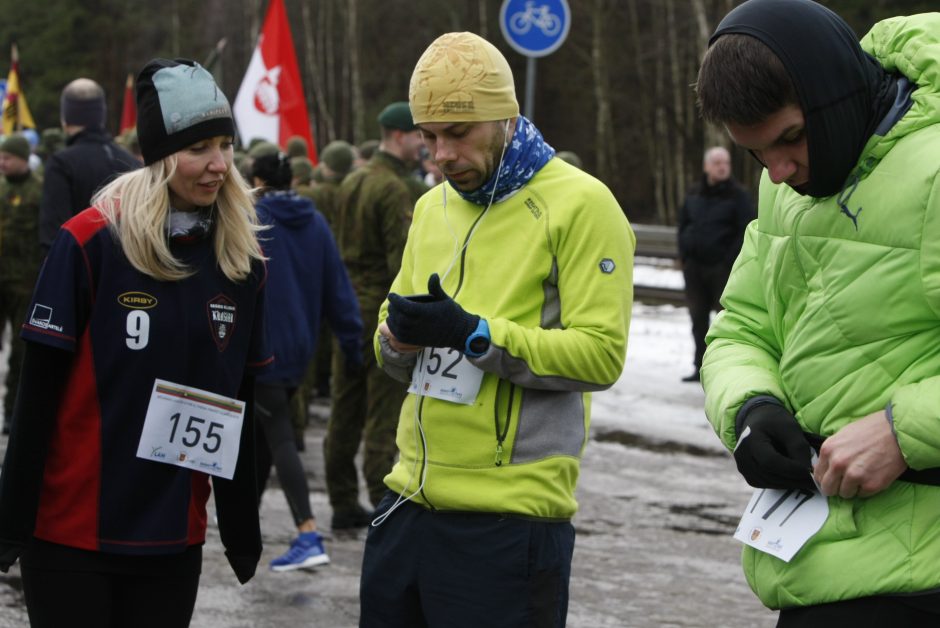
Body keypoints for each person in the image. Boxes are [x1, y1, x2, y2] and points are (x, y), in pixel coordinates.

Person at [361, 32, 634, 627]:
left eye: (459, 133)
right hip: (406, 503)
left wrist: (474, 335)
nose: (442, 155)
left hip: (509, 523)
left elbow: (601, 355)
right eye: (430, 137)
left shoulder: (582, 204)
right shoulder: (432, 206)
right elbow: (389, 333)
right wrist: (398, 340)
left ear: (508, 119)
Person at [0, 58, 269, 627]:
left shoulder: (240, 262)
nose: (220, 165)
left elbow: (244, 404)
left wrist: (242, 528)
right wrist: (11, 521)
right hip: (73, 537)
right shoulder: (88, 243)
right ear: (161, 156)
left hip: (172, 540)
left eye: (225, 145)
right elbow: (35, 397)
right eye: (199, 149)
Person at [696, 1, 940, 625]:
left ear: (834, 95)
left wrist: (904, 432)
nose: (778, 171)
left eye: (790, 139)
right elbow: (740, 326)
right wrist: (751, 409)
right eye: (756, 154)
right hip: (814, 572)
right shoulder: (784, 187)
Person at [249, 151, 362, 571]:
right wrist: (352, 345)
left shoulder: (252, 221)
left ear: (257, 180)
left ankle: (307, 533)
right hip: (300, 348)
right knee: (264, 434)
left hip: (262, 349)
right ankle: (247, 518)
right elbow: (338, 288)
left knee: (278, 434)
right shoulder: (314, 222)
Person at [323, 102, 427, 530]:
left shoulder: (352, 179)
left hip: (346, 306)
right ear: (400, 136)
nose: (424, 144)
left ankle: (342, 500)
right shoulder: (394, 189)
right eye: (419, 135)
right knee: (383, 412)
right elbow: (400, 265)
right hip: (377, 310)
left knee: (344, 409)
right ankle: (381, 498)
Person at [677, 146, 753, 382]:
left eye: (726, 163)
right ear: (707, 166)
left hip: (723, 269)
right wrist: (685, 254)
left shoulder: (738, 195)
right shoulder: (694, 193)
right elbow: (683, 225)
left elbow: (746, 230)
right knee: (698, 320)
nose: (722, 167)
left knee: (726, 321)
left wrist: (727, 260)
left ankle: (725, 371)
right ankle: (700, 366)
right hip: (695, 268)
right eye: (718, 163)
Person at [38, 77, 139, 252]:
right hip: (130, 271)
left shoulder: (61, 164)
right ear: (102, 115)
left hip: (82, 271)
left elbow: (54, 237)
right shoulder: (132, 162)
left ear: (65, 119)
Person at [0, 134, 43, 434]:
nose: (2, 162)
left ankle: (12, 413)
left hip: (25, 284)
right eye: (0, 158)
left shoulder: (39, 191)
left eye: (8, 158)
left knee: (19, 350)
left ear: (23, 158)